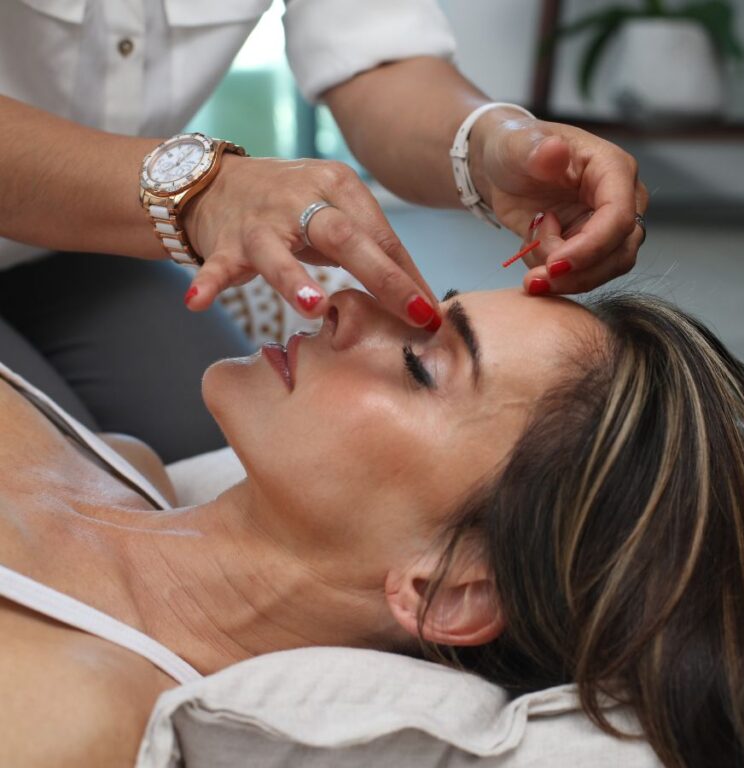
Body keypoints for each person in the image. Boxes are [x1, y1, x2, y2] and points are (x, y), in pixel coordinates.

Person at [1, 277, 744, 766]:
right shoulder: (125, 468)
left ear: (453, 587)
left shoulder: (65, 709)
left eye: (418, 364)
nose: (349, 303)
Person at [0, 0, 648, 462]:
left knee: (194, 448)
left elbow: (377, 57)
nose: (339, 303)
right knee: (62, 472)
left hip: (79, 246)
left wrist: (492, 145)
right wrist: (205, 192)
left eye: (421, 366)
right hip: (105, 222)